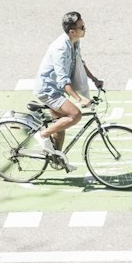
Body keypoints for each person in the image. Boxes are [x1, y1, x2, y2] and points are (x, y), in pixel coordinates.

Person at [33, 11, 103, 161]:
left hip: (56, 89)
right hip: (48, 90)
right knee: (75, 115)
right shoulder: (61, 49)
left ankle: (56, 159)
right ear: (72, 31)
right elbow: (63, 80)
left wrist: (94, 79)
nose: (85, 29)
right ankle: (42, 135)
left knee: (60, 126)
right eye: (82, 27)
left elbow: (79, 62)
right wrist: (80, 99)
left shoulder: (74, 41)